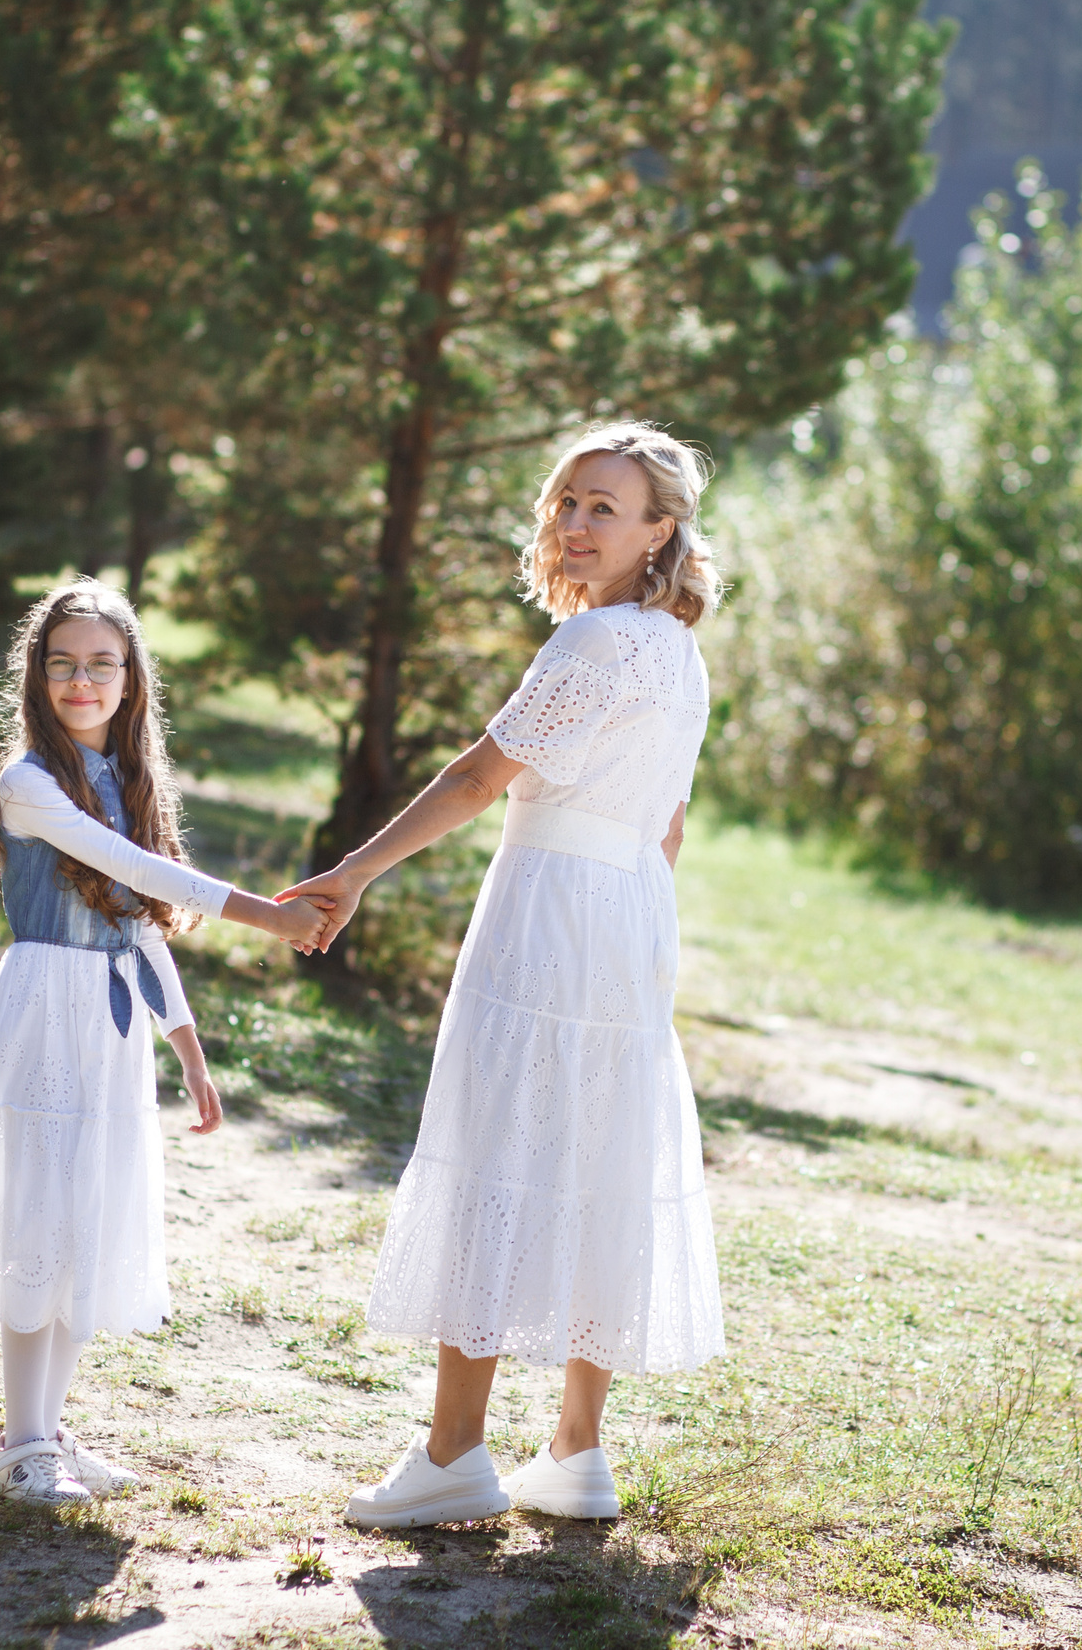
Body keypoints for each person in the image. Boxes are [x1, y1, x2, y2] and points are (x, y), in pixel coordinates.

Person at [280, 422, 727, 1529]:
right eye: (568, 502)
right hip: (629, 920)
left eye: (604, 509)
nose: (575, 526)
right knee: (593, 1157)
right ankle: (576, 1455)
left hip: (550, 913)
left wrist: (353, 870)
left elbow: (481, 776)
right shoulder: (679, 655)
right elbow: (667, 830)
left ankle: (452, 1456)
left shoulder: (593, 646)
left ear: (657, 531)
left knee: (502, 1149)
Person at [0, 580, 325, 1506]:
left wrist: (188, 1044)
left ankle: (48, 1431)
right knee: (40, 1212)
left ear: (130, 679)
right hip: (47, 1005)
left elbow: (139, 922)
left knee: (86, 1216)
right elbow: (130, 868)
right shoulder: (30, 782)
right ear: (36, 675)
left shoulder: (125, 779)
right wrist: (263, 912)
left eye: (100, 664)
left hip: (113, 1017)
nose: (80, 680)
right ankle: (18, 1442)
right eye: (61, 663)